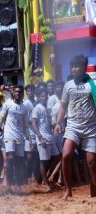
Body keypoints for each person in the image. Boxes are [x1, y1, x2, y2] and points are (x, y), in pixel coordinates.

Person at [54, 54, 96, 200]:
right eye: (72, 66)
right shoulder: (68, 85)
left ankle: (94, 192)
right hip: (73, 126)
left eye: (77, 66)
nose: (73, 69)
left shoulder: (93, 84)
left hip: (91, 128)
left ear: (84, 68)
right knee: (65, 155)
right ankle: (68, 189)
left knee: (91, 162)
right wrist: (58, 123)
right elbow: (63, 106)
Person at [0, 85, 31, 193]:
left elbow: (25, 126)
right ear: (13, 93)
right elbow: (0, 120)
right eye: (16, 92)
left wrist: (29, 138)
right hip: (9, 136)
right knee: (10, 158)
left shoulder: (25, 108)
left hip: (20, 137)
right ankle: (8, 186)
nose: (18, 93)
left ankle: (18, 185)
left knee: (19, 161)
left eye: (20, 92)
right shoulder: (7, 105)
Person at [32, 89, 60, 192]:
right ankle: (46, 184)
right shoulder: (37, 108)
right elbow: (34, 124)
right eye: (42, 96)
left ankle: (47, 178)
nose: (44, 98)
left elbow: (48, 124)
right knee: (43, 161)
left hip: (50, 137)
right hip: (43, 138)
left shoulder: (47, 109)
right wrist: (40, 137)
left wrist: (57, 126)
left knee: (57, 158)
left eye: (46, 96)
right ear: (38, 97)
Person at [23, 84, 40, 184]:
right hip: (29, 133)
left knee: (35, 156)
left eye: (32, 90)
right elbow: (25, 120)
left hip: (36, 132)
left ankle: (33, 175)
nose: (30, 92)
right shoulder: (26, 104)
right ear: (26, 92)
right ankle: (26, 175)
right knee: (29, 156)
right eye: (28, 91)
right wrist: (34, 121)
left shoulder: (36, 102)